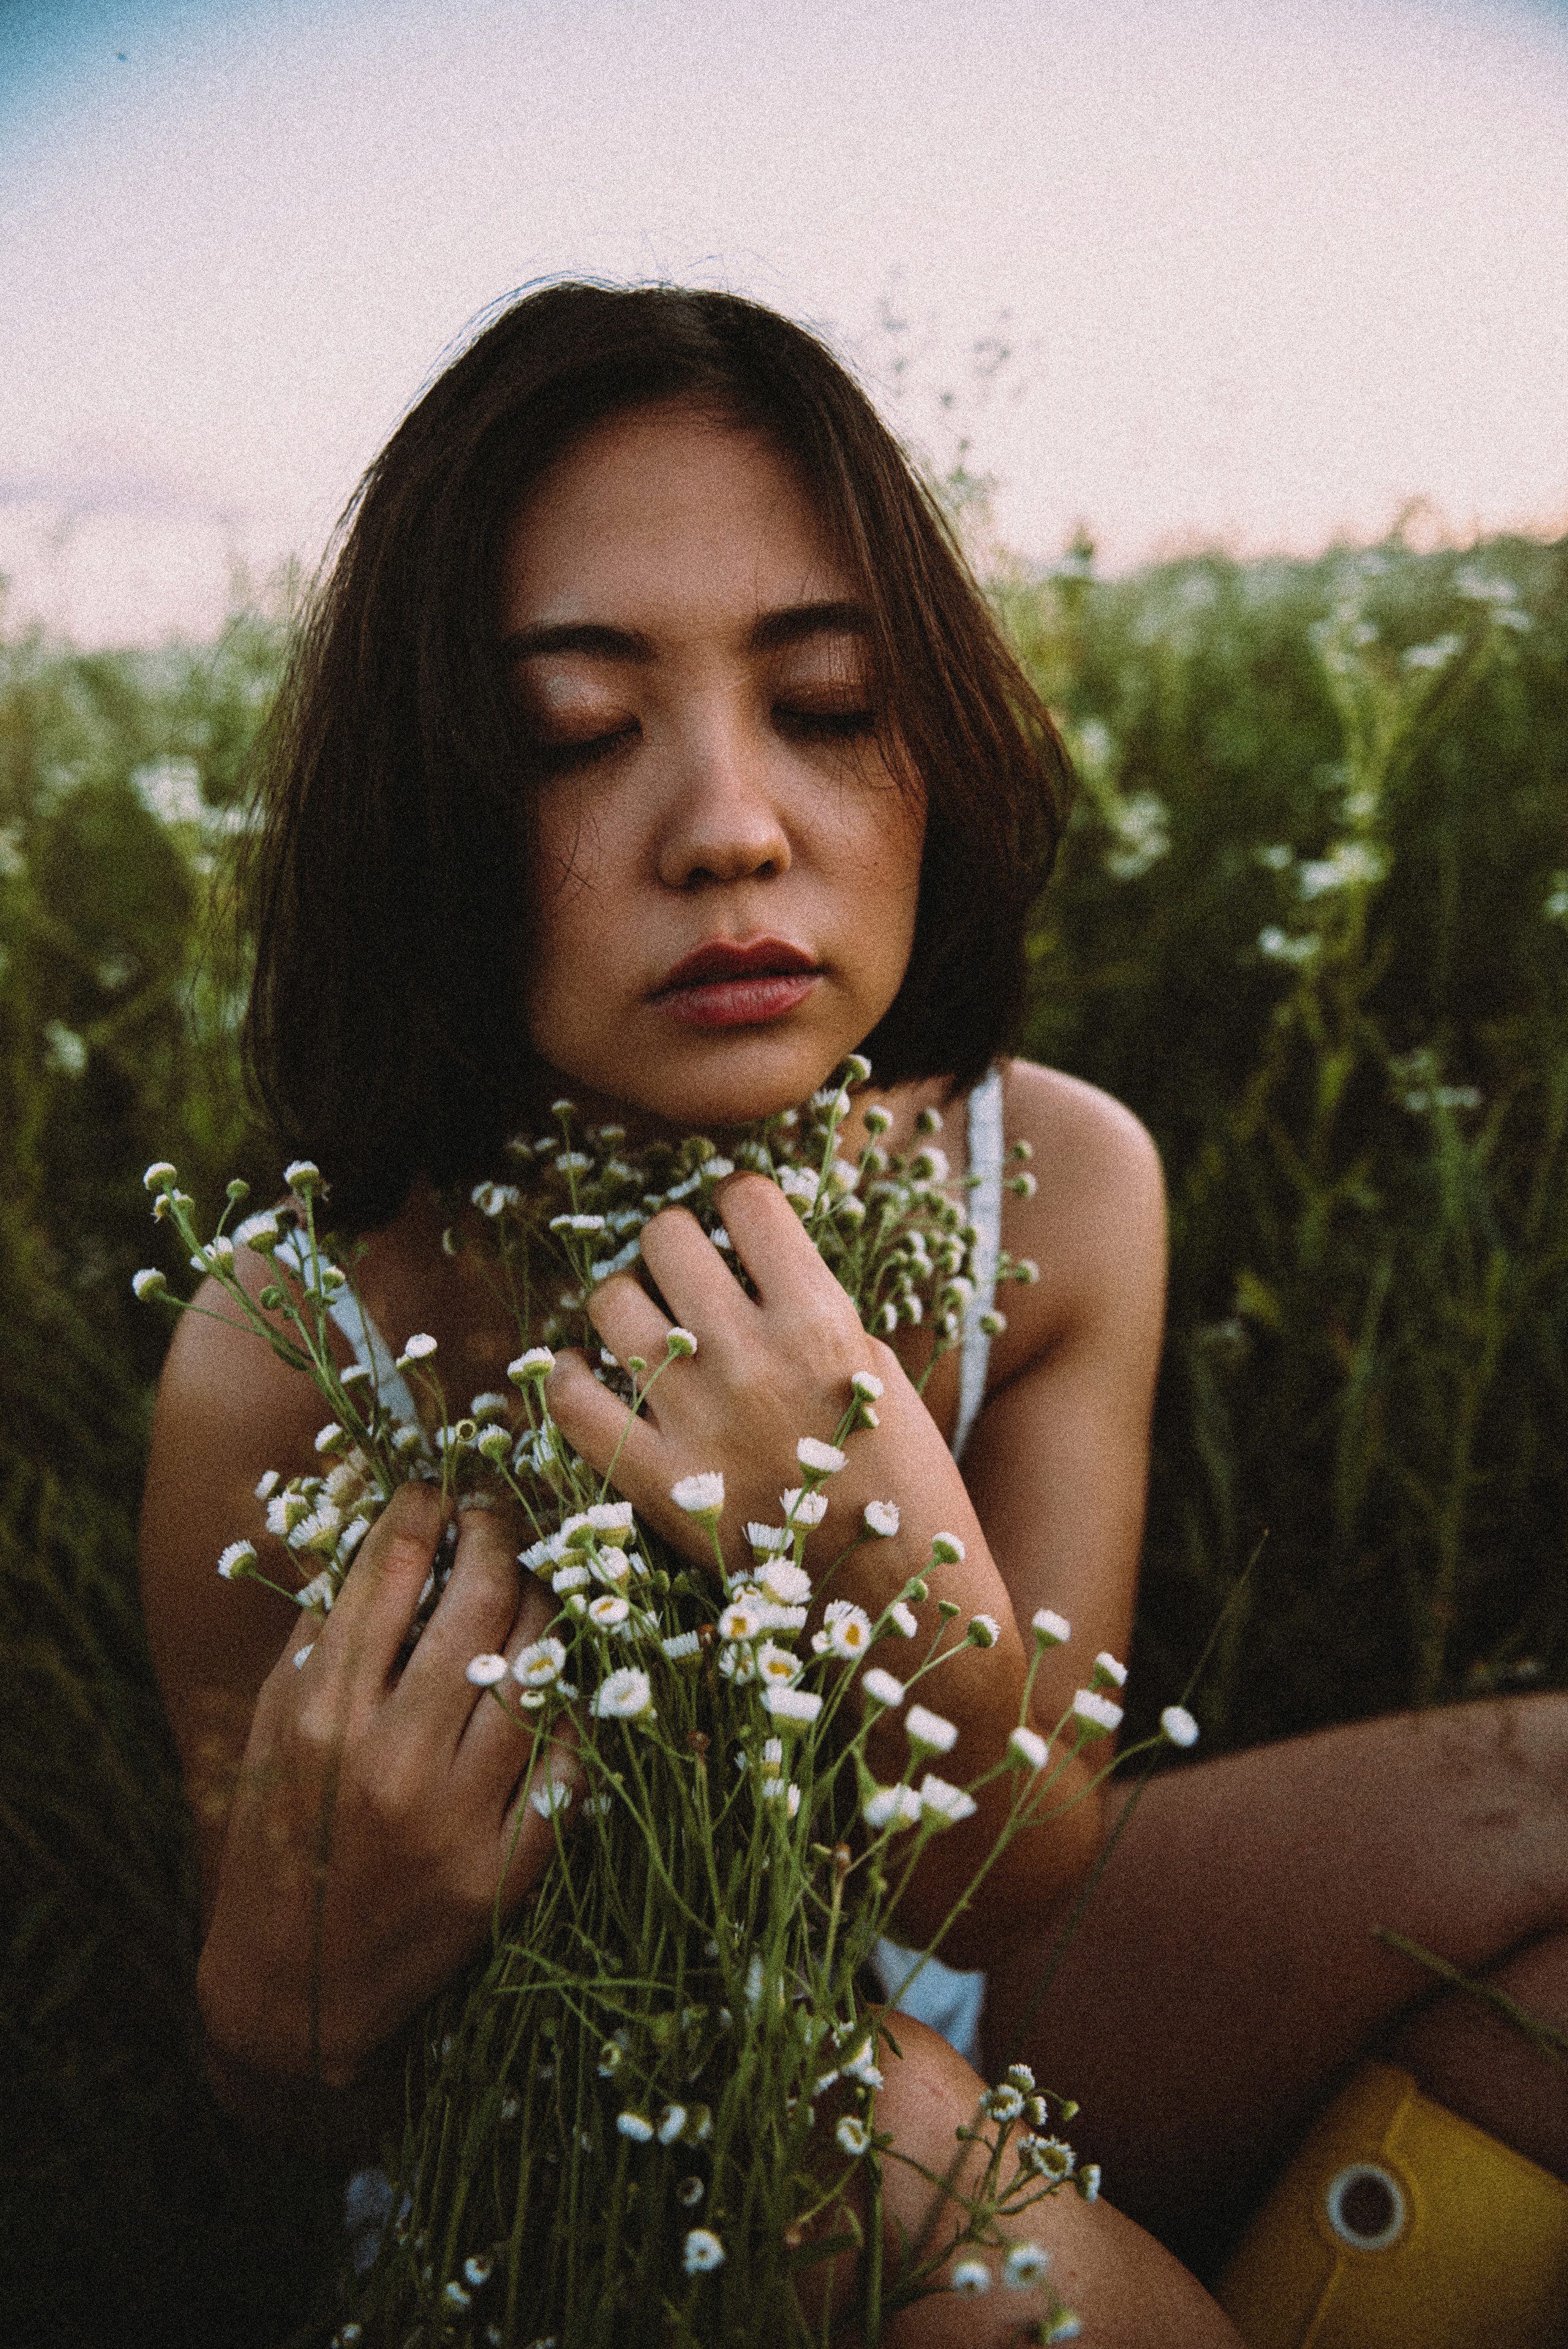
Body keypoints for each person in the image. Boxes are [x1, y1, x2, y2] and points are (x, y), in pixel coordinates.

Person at [137, 283, 1564, 2344]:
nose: (732, 824)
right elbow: (276, 2083)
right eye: (575, 731)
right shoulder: (290, 1344)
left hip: (974, 1944)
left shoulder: (1053, 1185)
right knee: (920, 2171)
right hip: (582, 2153)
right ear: (433, 800)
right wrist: (292, 1984)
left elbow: (1012, 1873)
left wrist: (867, 1530)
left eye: (823, 701)